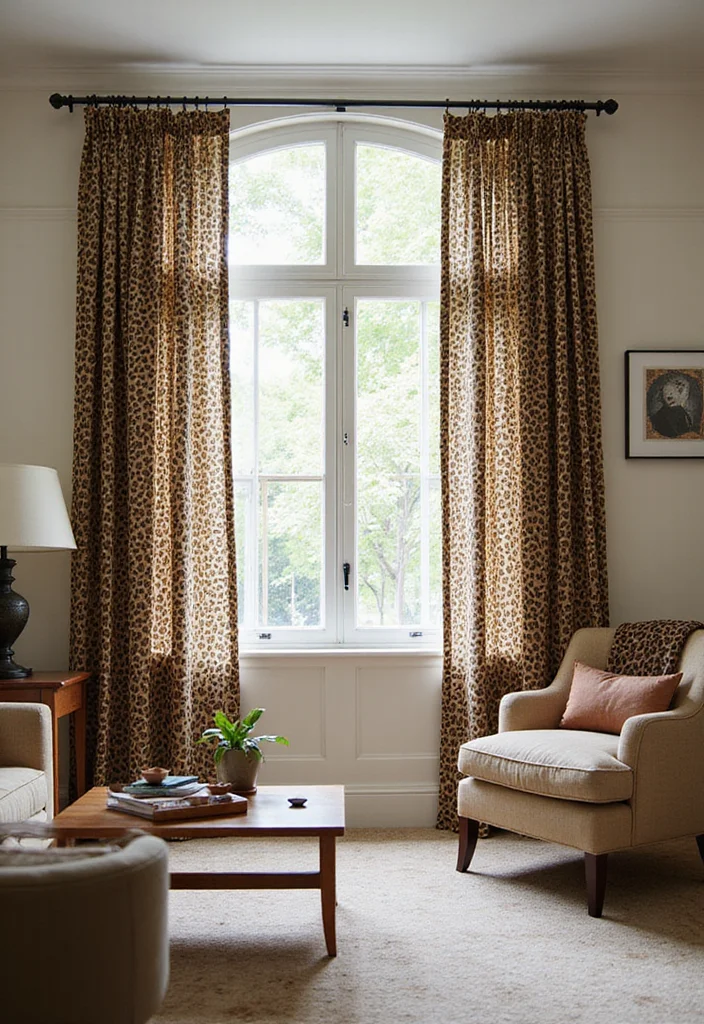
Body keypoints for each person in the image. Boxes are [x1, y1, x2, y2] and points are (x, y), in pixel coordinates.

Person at [648, 374, 695, 438]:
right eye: (667, 393)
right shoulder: (659, 416)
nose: (669, 397)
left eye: (681, 391)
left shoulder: (682, 412)